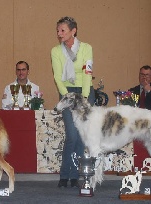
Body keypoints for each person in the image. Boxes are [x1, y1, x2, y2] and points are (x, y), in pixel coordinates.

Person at [51, 16, 95, 188]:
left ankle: (76, 175)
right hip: (67, 93)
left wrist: (83, 97)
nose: (59, 33)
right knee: (72, 135)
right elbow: (57, 76)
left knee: (81, 137)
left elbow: (87, 72)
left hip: (85, 92)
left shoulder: (86, 48)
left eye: (63, 30)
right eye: (58, 30)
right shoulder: (55, 51)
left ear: (73, 31)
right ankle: (65, 175)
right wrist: (67, 96)